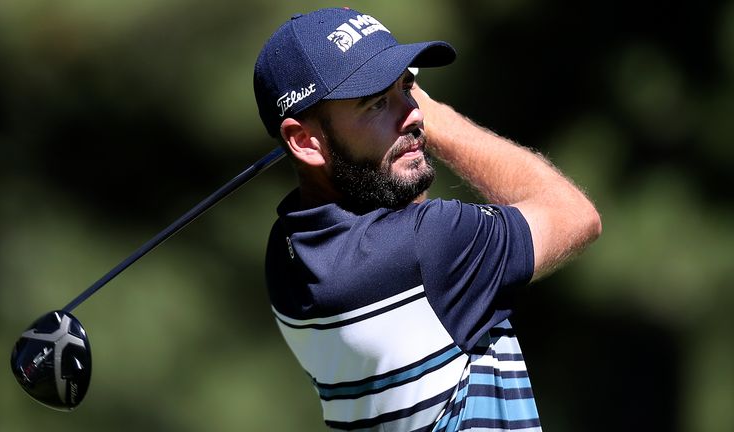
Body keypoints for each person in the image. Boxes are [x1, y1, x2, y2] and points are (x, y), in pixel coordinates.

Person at [253, 7, 601, 432]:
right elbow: (574, 215)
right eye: (376, 102)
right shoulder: (429, 246)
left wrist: (389, 119)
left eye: (407, 86)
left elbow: (394, 192)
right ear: (304, 141)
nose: (413, 113)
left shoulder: (285, 254)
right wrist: (436, 116)